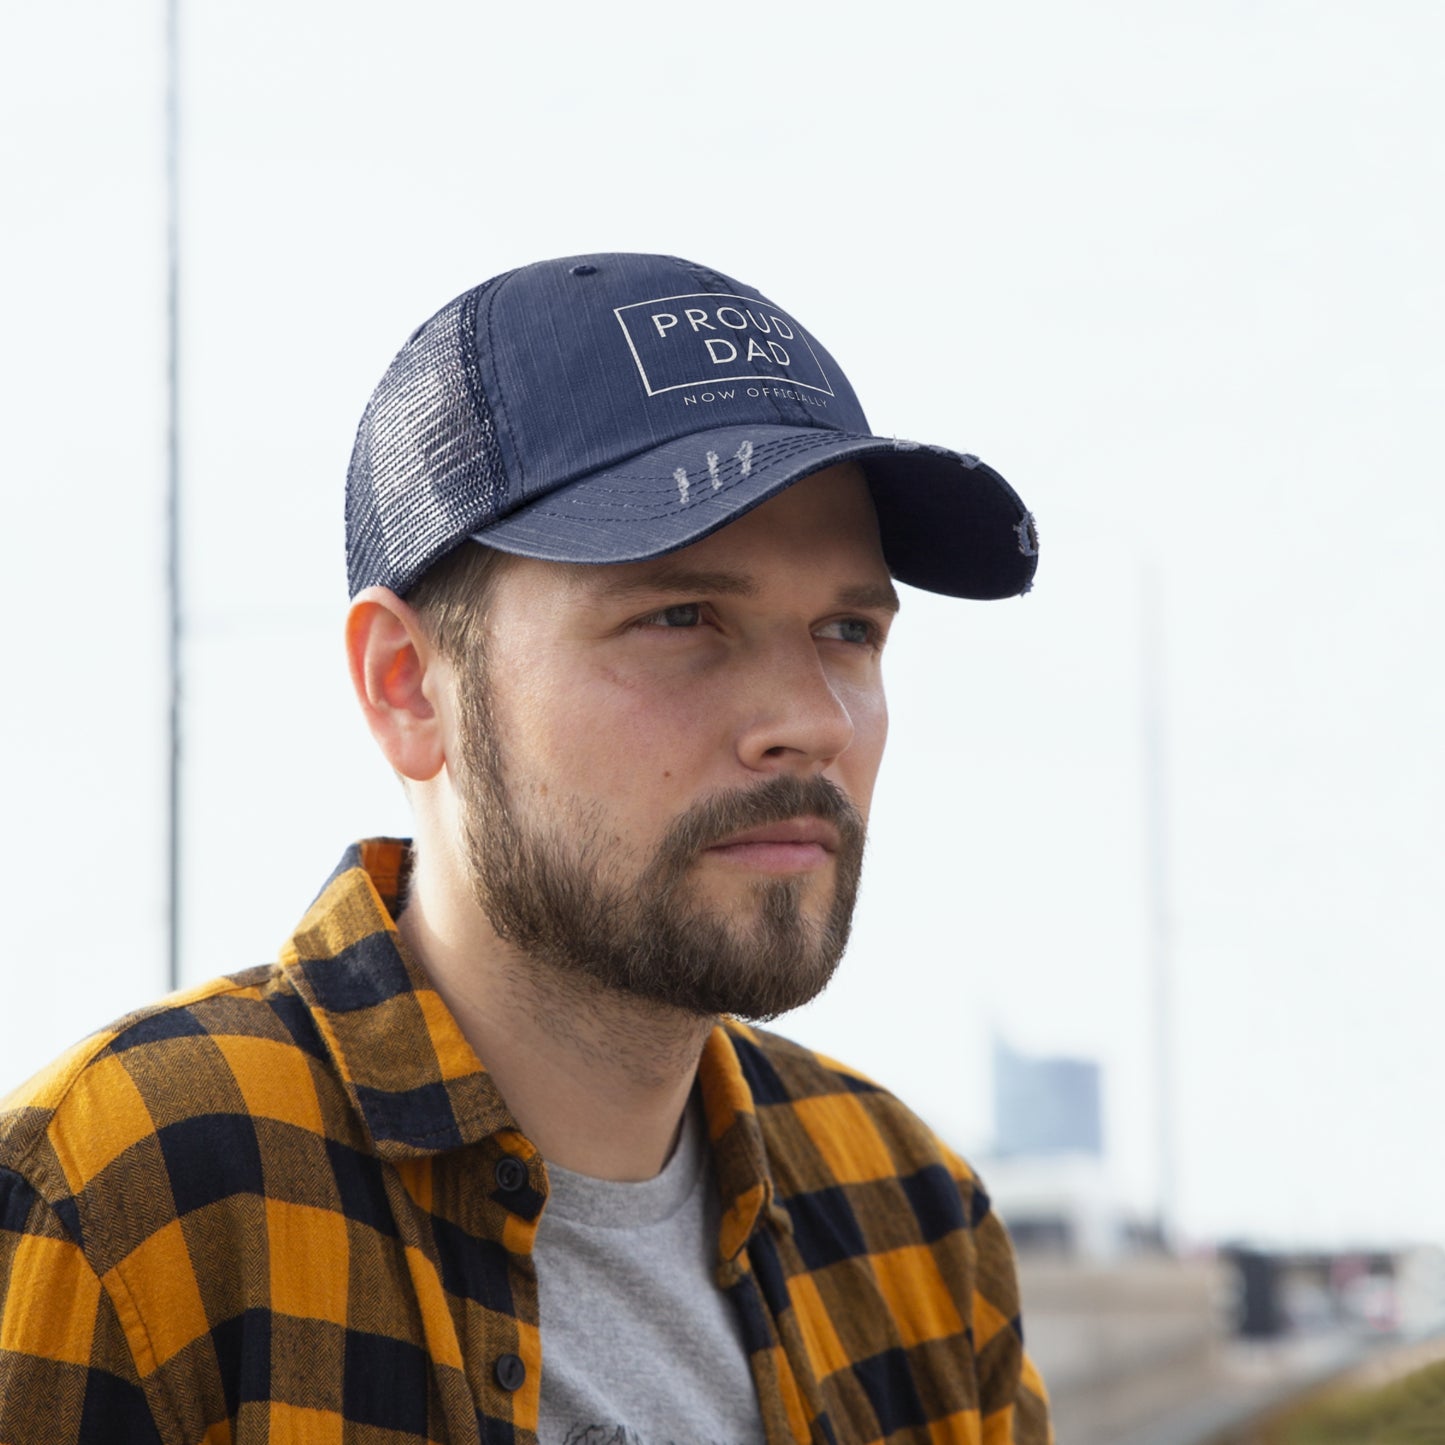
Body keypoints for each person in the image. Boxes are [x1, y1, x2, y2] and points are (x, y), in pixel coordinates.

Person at [0, 252, 1051, 1444]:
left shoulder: (911, 1217)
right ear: (408, 687)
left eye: (847, 629)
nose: (809, 719)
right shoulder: (125, 1196)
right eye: (679, 616)